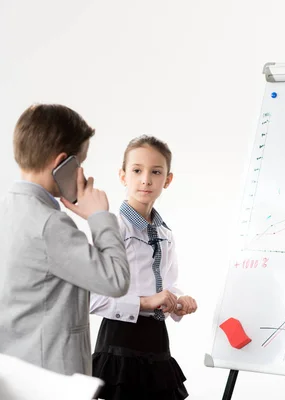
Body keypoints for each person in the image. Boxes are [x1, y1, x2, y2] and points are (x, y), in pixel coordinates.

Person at [0, 103, 130, 376]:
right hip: (53, 380)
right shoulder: (49, 223)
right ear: (61, 162)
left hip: (7, 375)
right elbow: (116, 280)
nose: (80, 172)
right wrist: (99, 217)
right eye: (79, 163)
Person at [90, 135, 198, 400]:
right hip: (119, 341)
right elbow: (91, 298)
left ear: (167, 180)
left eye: (155, 172)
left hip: (156, 341)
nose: (146, 179)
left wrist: (178, 300)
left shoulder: (165, 233)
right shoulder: (112, 228)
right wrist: (146, 303)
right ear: (123, 176)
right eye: (137, 170)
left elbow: (166, 282)